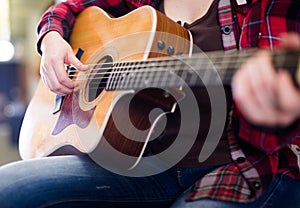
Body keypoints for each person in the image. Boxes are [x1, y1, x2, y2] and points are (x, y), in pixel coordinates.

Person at [0, 0, 300, 207]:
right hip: (138, 164)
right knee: (9, 187)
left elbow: (271, 137)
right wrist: (51, 39)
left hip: (236, 169)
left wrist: (276, 116)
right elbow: (70, 8)